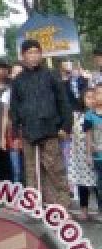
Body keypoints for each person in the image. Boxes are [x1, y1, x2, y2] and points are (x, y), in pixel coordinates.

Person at [9, 39, 74, 209]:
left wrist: (66, 126)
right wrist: (15, 134)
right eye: (30, 52)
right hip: (29, 132)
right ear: (23, 56)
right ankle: (36, 207)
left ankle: (61, 207)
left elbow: (63, 102)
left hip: (51, 130)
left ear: (41, 54)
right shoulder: (17, 81)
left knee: (55, 170)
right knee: (32, 172)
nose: (34, 56)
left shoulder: (52, 75)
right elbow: (14, 109)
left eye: (36, 52)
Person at [67, 87, 99, 219]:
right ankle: (84, 210)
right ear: (83, 99)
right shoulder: (76, 115)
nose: (91, 100)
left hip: (96, 154)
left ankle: (99, 208)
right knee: (82, 184)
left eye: (93, 97)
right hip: (79, 155)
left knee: (98, 183)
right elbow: (71, 134)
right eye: (88, 97)